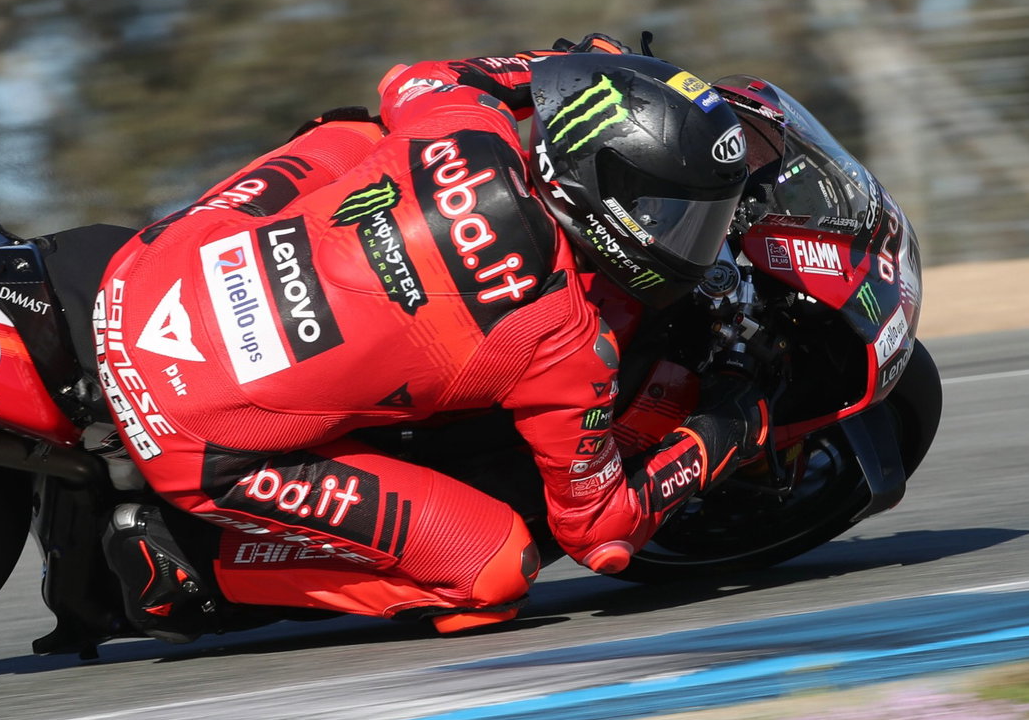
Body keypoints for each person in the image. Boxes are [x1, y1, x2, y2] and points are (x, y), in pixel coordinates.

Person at [91, 34, 768, 643]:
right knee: (494, 570)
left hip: (139, 276)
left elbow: (417, 79)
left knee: (357, 132)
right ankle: (200, 566)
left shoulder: (468, 125)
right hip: (190, 435)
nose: (690, 240)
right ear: (605, 190)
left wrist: (567, 62)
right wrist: (729, 427)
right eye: (671, 214)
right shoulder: (565, 338)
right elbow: (599, 532)